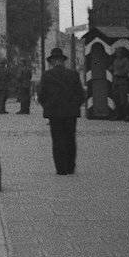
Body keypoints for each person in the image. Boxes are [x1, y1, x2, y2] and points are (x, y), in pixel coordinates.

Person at [37, 47, 86, 175]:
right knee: (70, 139)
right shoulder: (73, 74)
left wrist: (48, 106)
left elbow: (41, 95)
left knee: (57, 140)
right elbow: (81, 94)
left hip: (54, 113)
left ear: (52, 62)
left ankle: (61, 168)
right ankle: (70, 167)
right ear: (63, 61)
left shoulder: (47, 75)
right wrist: (74, 106)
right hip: (71, 113)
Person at [111, 48, 129, 121]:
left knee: (123, 99)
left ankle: (126, 115)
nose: (117, 54)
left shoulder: (125, 60)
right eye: (117, 53)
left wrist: (118, 73)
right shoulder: (115, 60)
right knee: (116, 99)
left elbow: (126, 70)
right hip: (115, 81)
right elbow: (113, 68)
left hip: (122, 80)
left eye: (119, 53)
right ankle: (118, 115)